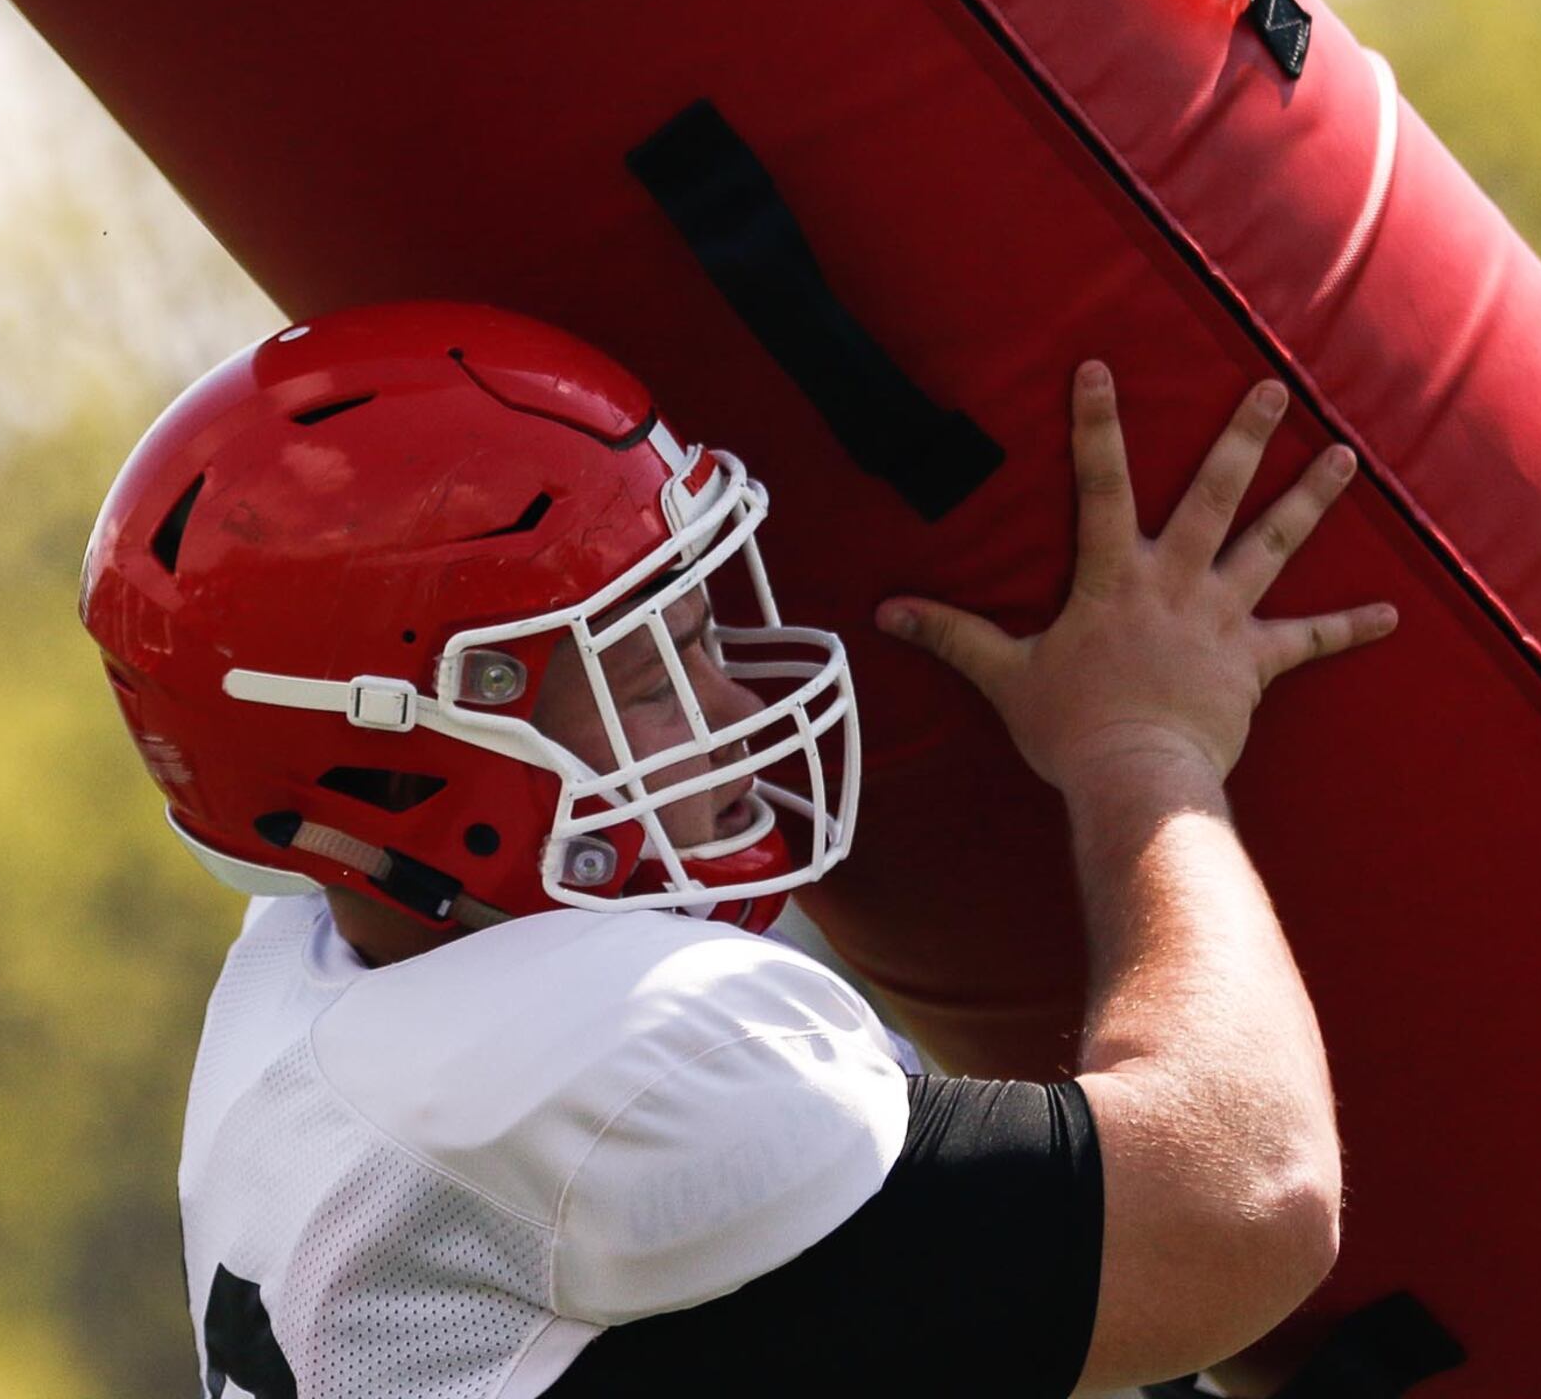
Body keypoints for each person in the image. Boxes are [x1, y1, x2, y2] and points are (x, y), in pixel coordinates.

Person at [81, 302, 1397, 1399]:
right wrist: (1144, 747)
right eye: (645, 669)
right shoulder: (605, 1056)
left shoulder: (310, 966)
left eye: (700, 627)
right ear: (410, 755)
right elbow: (1244, 1203)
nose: (725, 709)